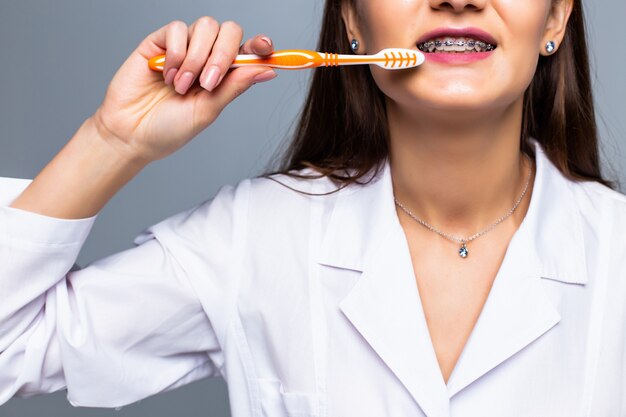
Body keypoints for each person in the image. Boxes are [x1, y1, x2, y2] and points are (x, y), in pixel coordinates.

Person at [1, 0, 625, 415]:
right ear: (353, 19)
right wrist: (115, 140)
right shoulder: (254, 236)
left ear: (556, 17)